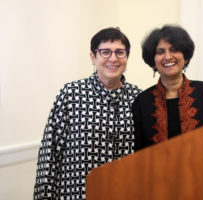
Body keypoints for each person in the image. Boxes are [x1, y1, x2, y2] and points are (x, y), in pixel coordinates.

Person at [34, 27, 142, 200]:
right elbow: (50, 152)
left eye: (120, 52)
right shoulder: (71, 93)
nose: (113, 58)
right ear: (93, 57)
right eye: (105, 52)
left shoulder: (138, 98)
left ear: (127, 57)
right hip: (77, 193)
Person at [133, 25, 203, 151]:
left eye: (174, 50)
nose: (167, 57)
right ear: (153, 61)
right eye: (160, 52)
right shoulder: (142, 101)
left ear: (186, 57)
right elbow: (138, 151)